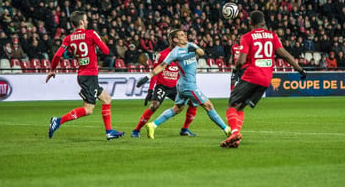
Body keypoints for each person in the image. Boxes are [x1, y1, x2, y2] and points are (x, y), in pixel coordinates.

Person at [221, 11, 307, 148]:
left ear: (250, 23)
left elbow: (241, 61)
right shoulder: (272, 36)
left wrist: (235, 70)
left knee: (231, 105)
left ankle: (235, 133)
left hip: (251, 76)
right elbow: (285, 55)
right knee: (241, 107)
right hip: (266, 79)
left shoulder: (247, 37)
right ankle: (235, 139)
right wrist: (300, 69)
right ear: (263, 22)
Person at [136, 29, 231, 139]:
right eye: (181, 35)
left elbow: (202, 52)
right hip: (188, 86)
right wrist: (147, 77)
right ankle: (226, 129)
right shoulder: (175, 53)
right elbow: (162, 66)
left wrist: (195, 49)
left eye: (185, 34)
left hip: (181, 84)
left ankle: (153, 125)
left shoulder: (190, 44)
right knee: (208, 105)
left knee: (177, 108)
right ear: (175, 39)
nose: (185, 36)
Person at [45, 11, 124, 140]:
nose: (87, 22)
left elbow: (57, 55)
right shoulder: (91, 34)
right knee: (88, 109)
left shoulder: (68, 38)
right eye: (86, 20)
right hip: (90, 75)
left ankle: (109, 131)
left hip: (83, 74)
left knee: (106, 99)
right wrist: (96, 42)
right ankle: (58, 121)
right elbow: (106, 51)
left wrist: (53, 69)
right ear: (81, 22)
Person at [130, 42, 198, 138]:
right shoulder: (161, 55)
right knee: (154, 106)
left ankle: (184, 129)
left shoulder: (183, 54)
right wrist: (150, 90)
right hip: (162, 86)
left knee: (193, 102)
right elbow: (155, 72)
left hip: (176, 87)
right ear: (173, 40)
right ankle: (136, 130)